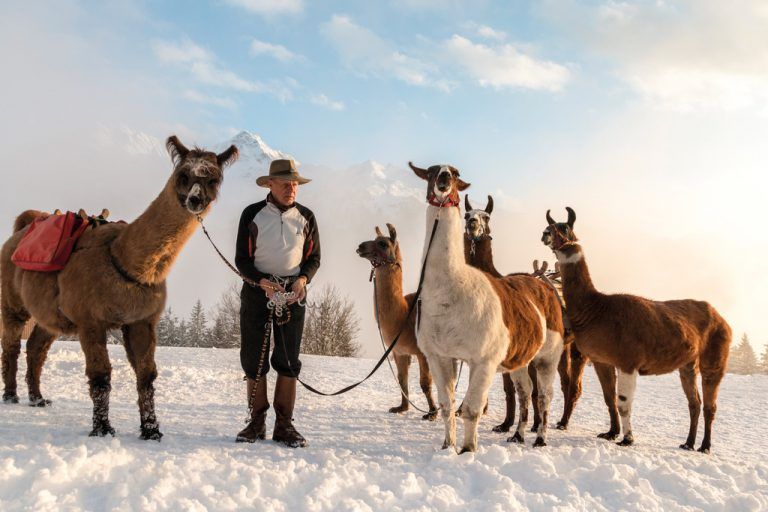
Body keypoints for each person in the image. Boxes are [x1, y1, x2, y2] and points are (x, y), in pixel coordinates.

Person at [233, 158, 320, 447]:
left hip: (293, 294)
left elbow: (314, 258)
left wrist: (304, 279)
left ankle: (284, 425)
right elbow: (242, 260)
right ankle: (256, 423)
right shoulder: (252, 214)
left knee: (288, 358)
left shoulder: (307, 217)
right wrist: (260, 281)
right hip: (257, 292)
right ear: (270, 184)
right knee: (253, 358)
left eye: (294, 184)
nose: (291, 189)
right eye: (285, 183)